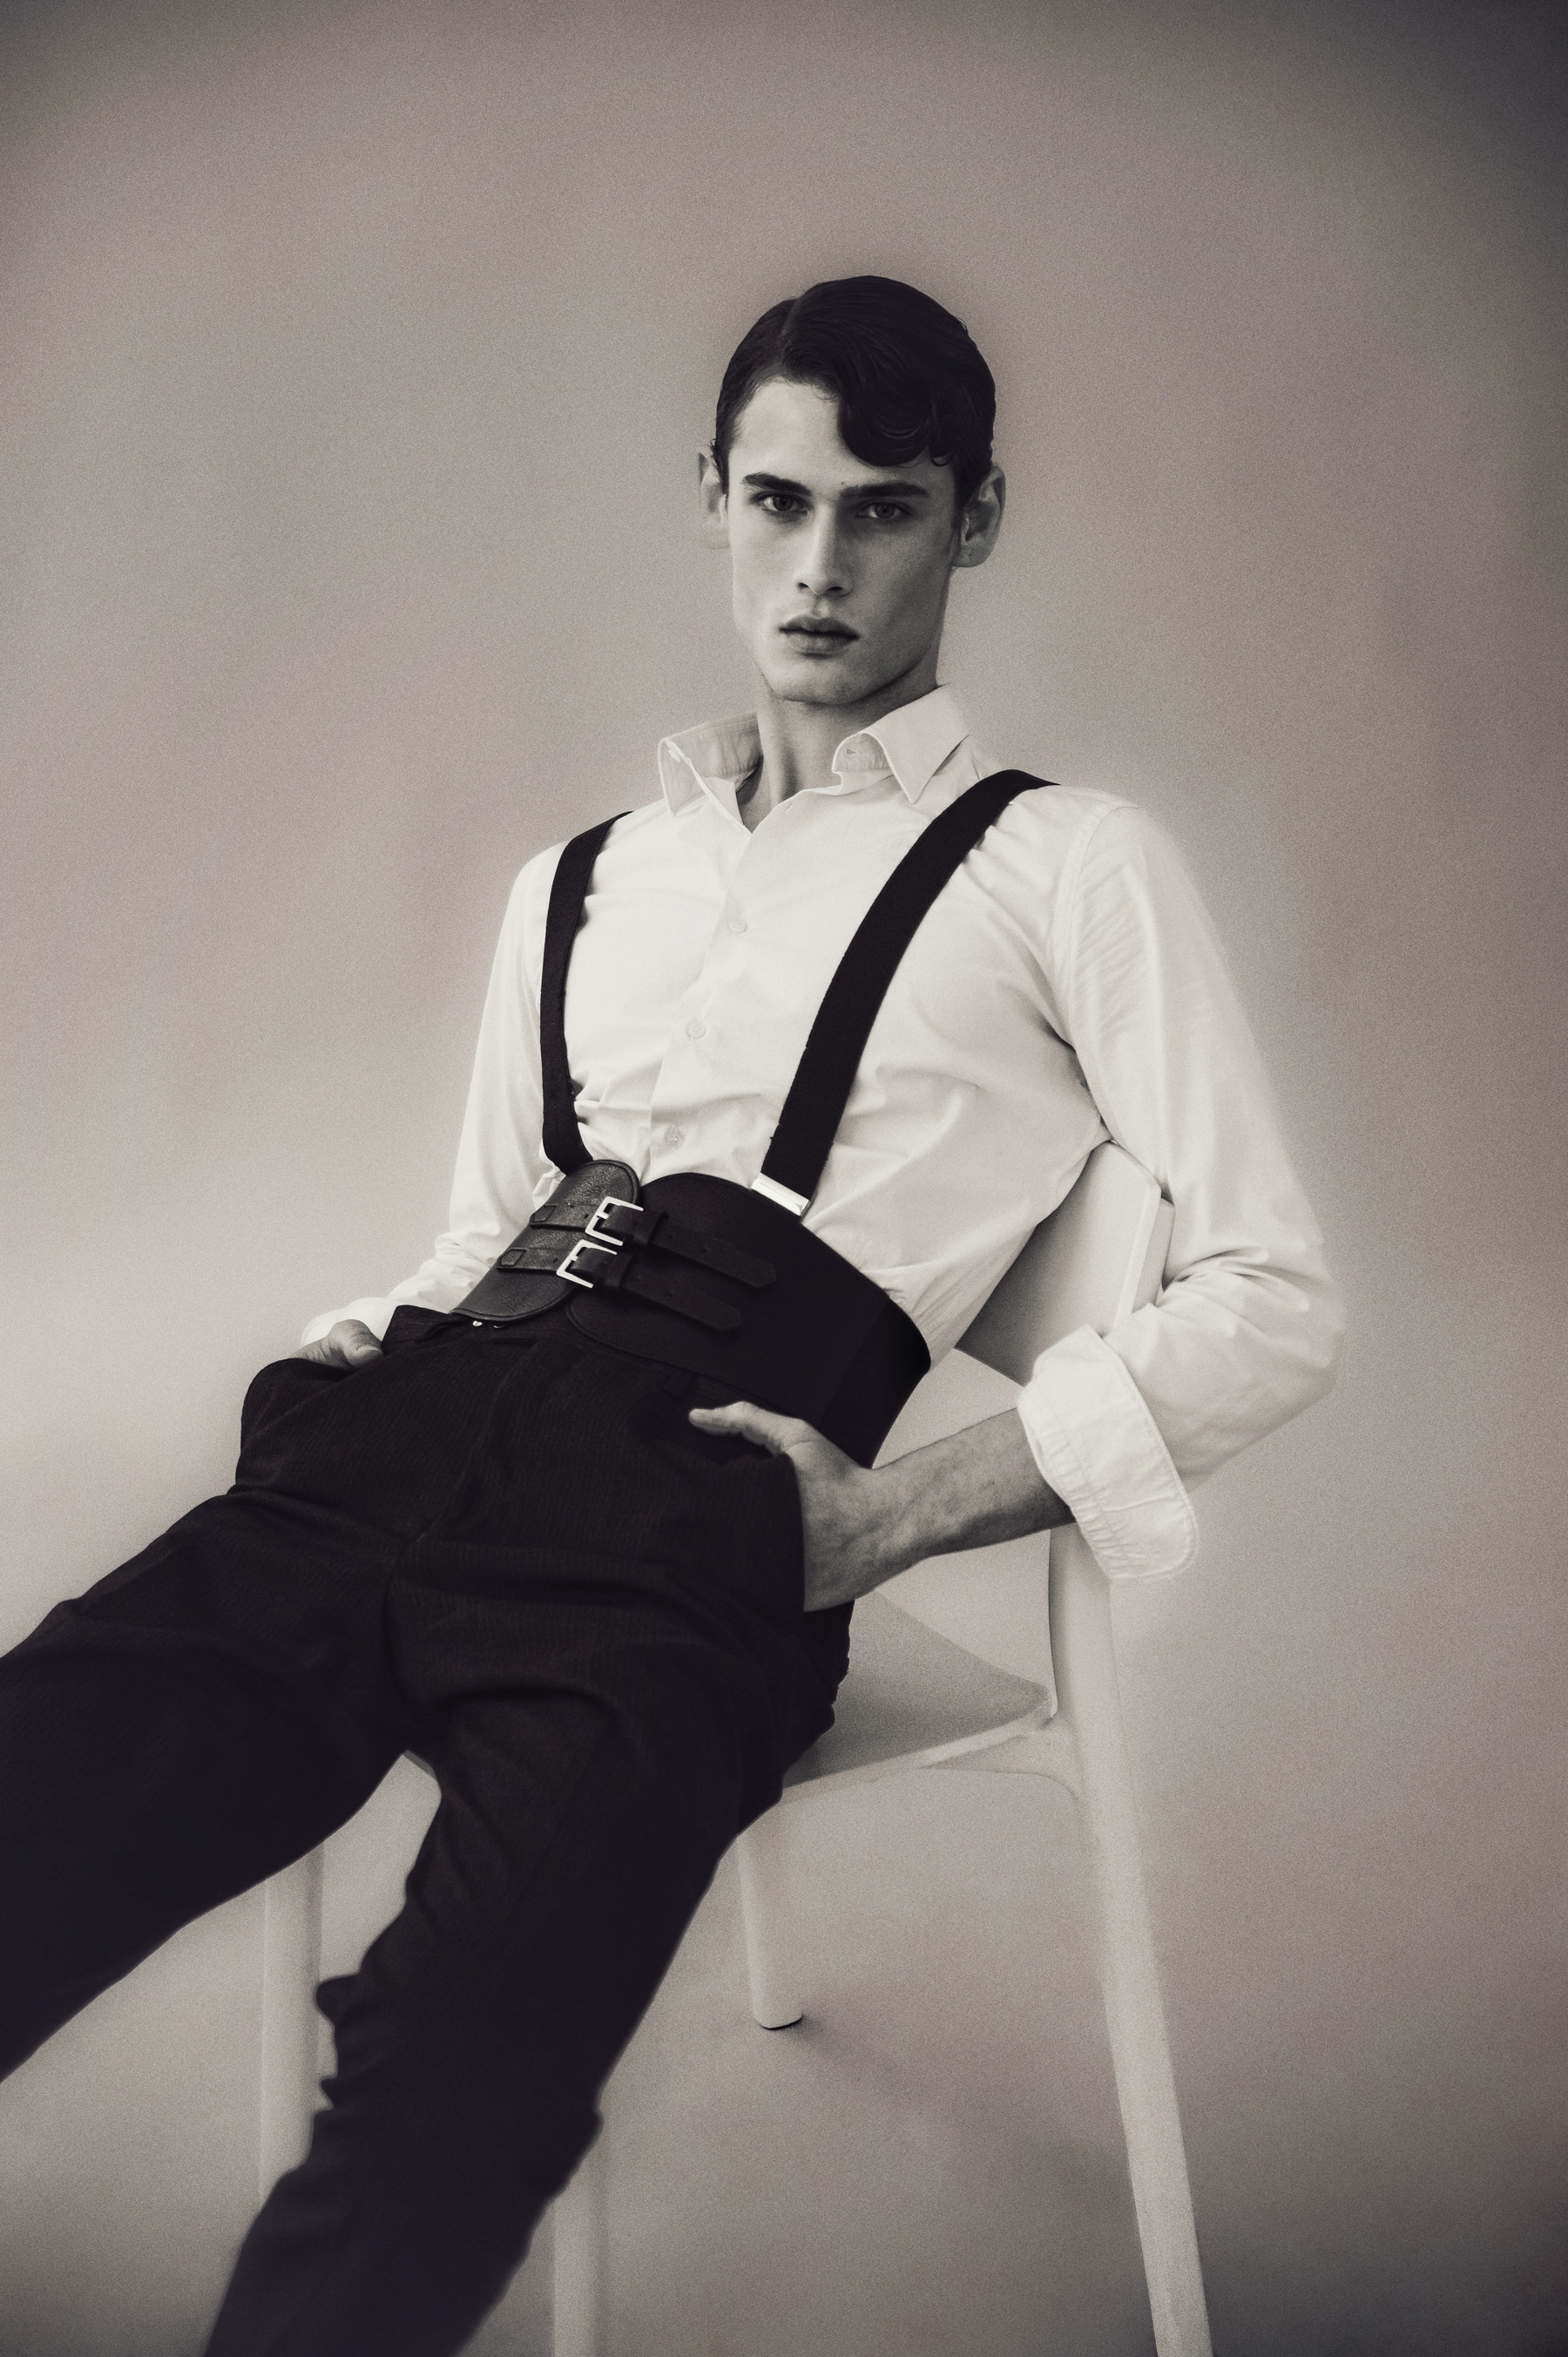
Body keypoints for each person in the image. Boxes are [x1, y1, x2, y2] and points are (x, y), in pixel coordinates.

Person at [0, 276, 1342, 2355]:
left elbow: (1274, 1298)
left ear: (975, 521)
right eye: (780, 500)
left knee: (458, 2068)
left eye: (885, 509)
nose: (822, 567)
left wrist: (886, 1521)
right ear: (711, 493)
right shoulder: (580, 880)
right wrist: (364, 1349)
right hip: (391, 1445)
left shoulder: (1068, 867)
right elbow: (483, 1225)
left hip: (685, 1526)